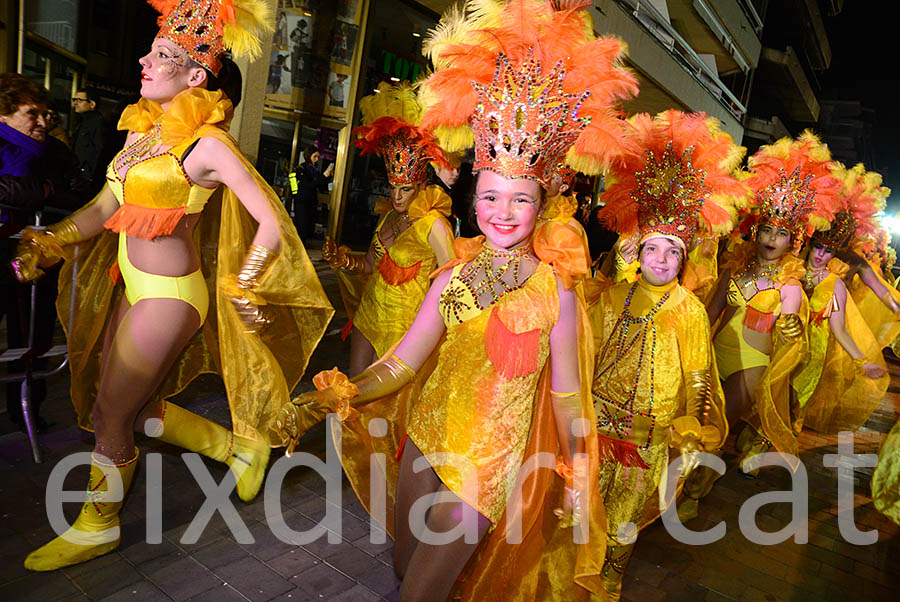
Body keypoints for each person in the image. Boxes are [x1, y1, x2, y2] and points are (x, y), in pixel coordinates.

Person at [273, 1, 638, 599]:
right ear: (475, 199)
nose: (502, 212)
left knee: (421, 593)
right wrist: (339, 393)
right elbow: (402, 363)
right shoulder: (451, 279)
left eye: (520, 199)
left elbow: (570, 399)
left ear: (542, 203)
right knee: (400, 568)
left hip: (488, 468)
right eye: (491, 196)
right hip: (424, 440)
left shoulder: (558, 296)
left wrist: (578, 470)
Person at [14, 0, 333, 571]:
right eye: (151, 50)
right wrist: (52, 239)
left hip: (169, 297)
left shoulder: (205, 144)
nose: (143, 59)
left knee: (110, 414)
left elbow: (270, 222)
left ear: (194, 76)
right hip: (134, 286)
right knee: (130, 407)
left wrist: (247, 284)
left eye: (162, 55)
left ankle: (97, 526)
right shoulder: (140, 137)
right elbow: (103, 207)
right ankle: (233, 448)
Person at [590, 110, 737, 600]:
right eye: (652, 249)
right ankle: (579, 565)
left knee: (626, 515)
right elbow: (587, 350)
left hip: (647, 433)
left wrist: (694, 423)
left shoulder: (690, 310)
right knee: (583, 504)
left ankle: (611, 577)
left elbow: (698, 373)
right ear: (637, 250)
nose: (660, 260)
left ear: (685, 257)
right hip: (595, 423)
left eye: (671, 252)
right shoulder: (613, 295)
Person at [704, 132, 841, 479]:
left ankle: (696, 487)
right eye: (766, 230)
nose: (770, 240)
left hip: (752, 364)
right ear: (756, 230)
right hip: (713, 356)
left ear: (792, 240)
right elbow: (709, 313)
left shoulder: (790, 286)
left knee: (717, 427)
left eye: (780, 234)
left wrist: (792, 328)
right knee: (696, 420)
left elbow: (793, 336)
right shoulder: (734, 267)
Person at [321, 81, 455, 376]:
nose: (396, 196)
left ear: (421, 185)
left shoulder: (433, 223)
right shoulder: (387, 217)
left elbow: (449, 282)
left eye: (405, 189)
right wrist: (342, 261)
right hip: (370, 310)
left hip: (405, 325)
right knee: (355, 386)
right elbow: (370, 264)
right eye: (393, 187)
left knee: (385, 402)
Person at [1, 74, 89, 431]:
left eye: (45, 113)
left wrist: (42, 190)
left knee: (33, 341)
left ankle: (26, 414)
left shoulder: (54, 151)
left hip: (39, 259)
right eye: (30, 113)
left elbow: (82, 190)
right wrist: (41, 191)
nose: (41, 121)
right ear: (3, 115)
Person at [793, 162, 890, 435]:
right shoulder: (791, 270)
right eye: (819, 247)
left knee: (793, 406)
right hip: (781, 346)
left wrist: (862, 361)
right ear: (811, 246)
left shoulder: (834, 283)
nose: (821, 255)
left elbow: (839, 329)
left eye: (829, 251)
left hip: (811, 355)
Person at [288, 145, 332, 238]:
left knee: (308, 228)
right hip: (302, 202)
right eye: (314, 156)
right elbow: (309, 185)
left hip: (310, 202)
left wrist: (327, 176)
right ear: (308, 156)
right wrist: (324, 176)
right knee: (302, 228)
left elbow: (319, 184)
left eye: (318, 157)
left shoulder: (314, 169)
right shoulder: (301, 169)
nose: (316, 159)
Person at [71, 88, 106, 194]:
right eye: (74, 99)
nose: (75, 103)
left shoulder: (97, 123)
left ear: (92, 104)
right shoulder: (83, 121)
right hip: (78, 174)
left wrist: (89, 176)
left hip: (86, 179)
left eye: (80, 100)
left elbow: (99, 151)